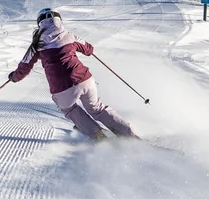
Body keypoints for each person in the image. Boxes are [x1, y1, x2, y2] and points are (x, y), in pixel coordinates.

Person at [8, 8, 138, 140]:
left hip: (62, 88)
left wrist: (14, 77)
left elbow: (24, 67)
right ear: (59, 20)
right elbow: (89, 49)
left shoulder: (37, 45)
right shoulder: (69, 36)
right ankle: (127, 133)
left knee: (70, 109)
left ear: (40, 23)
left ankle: (98, 136)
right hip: (85, 80)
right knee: (97, 108)